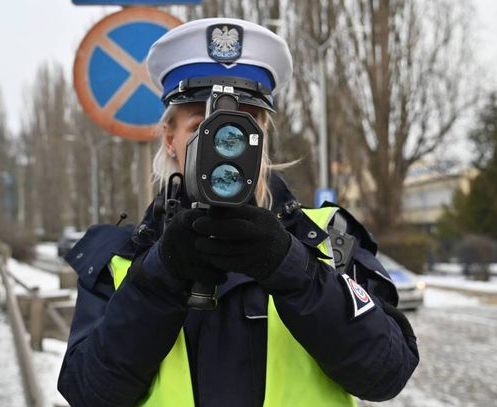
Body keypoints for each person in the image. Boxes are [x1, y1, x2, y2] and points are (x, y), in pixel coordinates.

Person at [58, 17, 419, 407]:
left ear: (263, 139)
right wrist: (159, 277)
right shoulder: (120, 258)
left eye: (239, 130)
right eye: (200, 127)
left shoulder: (330, 240)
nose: (221, 148)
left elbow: (387, 371)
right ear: (170, 138)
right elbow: (88, 392)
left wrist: (294, 269)